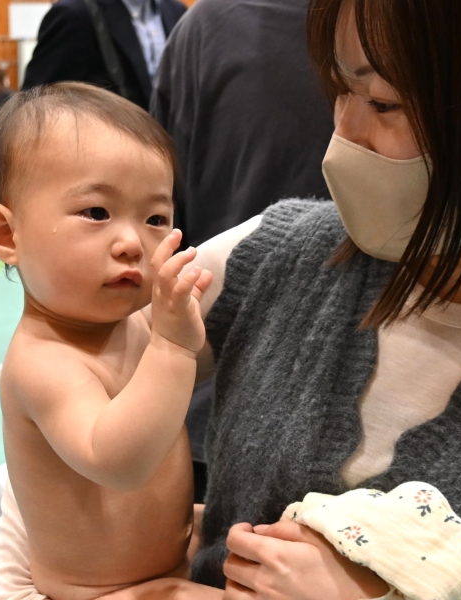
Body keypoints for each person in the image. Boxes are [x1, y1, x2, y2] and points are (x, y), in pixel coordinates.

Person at [0, 0, 461, 598]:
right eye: (341, 89)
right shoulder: (278, 255)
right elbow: (59, 460)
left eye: (382, 100)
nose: (342, 132)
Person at [0, 82, 220, 600]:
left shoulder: (134, 321)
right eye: (96, 213)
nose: (132, 242)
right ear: (7, 234)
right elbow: (119, 461)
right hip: (98, 591)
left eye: (156, 218)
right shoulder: (43, 362)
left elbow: (203, 364)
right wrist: (173, 349)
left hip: (169, 559)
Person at [150, 0, 336, 503]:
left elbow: (158, 222)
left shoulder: (203, 30)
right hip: (214, 400)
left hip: (219, 402)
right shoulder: (205, 31)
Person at [22, 0, 187, 111]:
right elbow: (35, 102)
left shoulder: (176, 12)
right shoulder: (74, 14)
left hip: (167, 151)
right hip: (102, 154)